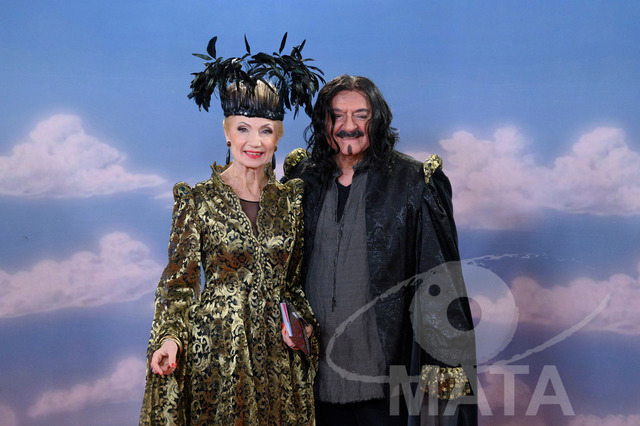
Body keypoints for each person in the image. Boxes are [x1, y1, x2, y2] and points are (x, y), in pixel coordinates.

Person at [140, 35, 324, 425]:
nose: (254, 141)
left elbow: (293, 284)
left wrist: (303, 327)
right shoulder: (197, 200)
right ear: (227, 133)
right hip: (218, 357)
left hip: (278, 362)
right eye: (243, 129)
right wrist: (169, 338)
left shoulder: (292, 202)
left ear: (277, 138)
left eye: (265, 130)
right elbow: (178, 285)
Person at [283, 75, 477, 425]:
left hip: (386, 383)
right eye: (337, 115)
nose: (349, 126)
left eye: (361, 115)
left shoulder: (413, 182)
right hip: (310, 380)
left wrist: (440, 391)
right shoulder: (300, 182)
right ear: (323, 123)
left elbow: (440, 287)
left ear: (378, 120)